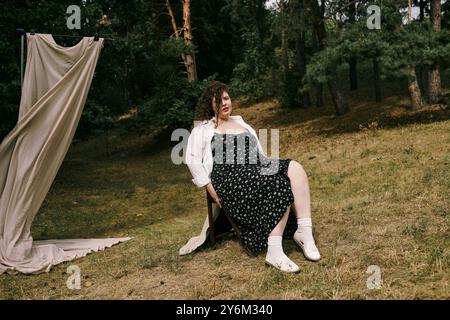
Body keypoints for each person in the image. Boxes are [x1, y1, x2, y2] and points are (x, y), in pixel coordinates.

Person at [185, 81, 320, 273]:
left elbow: (259, 152)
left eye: (226, 98)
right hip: (229, 175)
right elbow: (192, 160)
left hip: (255, 167)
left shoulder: (240, 122)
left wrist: (267, 167)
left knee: (295, 168)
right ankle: (274, 251)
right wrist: (210, 188)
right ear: (210, 105)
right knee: (278, 182)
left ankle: (304, 232)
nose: (224, 103)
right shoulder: (203, 129)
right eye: (218, 101)